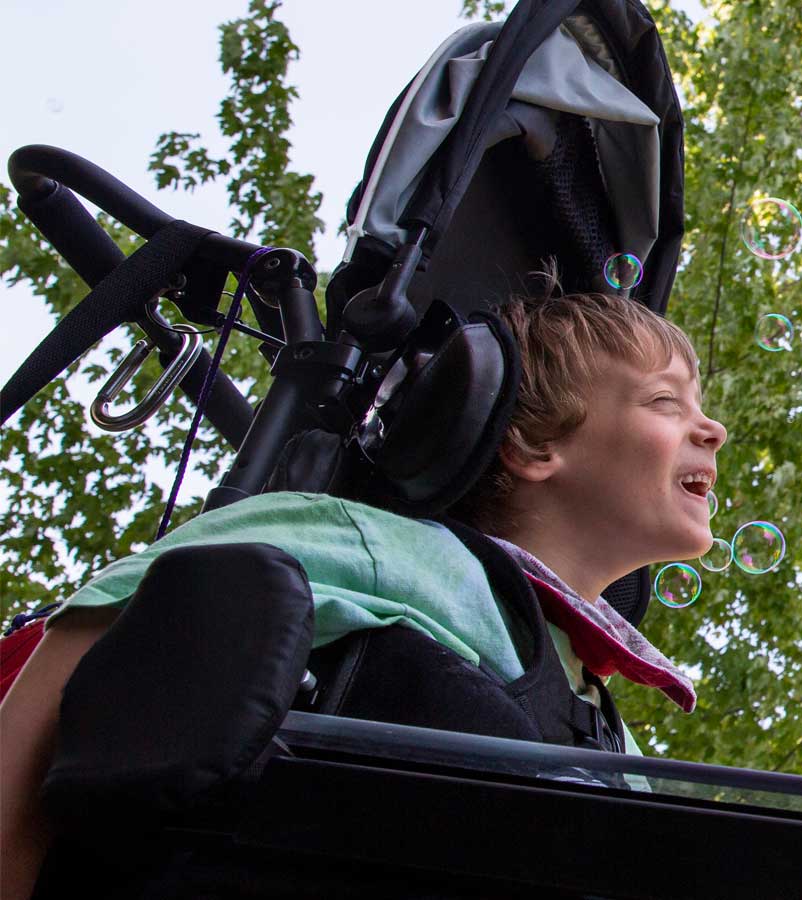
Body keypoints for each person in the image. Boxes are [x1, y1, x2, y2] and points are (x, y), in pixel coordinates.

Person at [0, 281, 725, 898]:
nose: (713, 429)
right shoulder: (378, 548)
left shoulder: (608, 728)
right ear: (536, 445)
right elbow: (83, 632)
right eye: (666, 402)